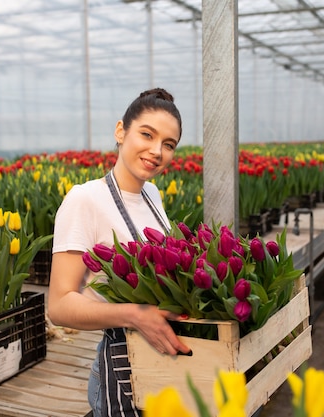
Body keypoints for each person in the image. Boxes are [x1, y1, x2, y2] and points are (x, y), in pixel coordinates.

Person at [48, 88, 192, 417]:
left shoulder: (152, 194)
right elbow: (59, 305)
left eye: (168, 145)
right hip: (121, 367)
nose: (157, 151)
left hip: (160, 365)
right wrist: (135, 315)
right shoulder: (84, 200)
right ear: (120, 131)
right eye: (147, 134)